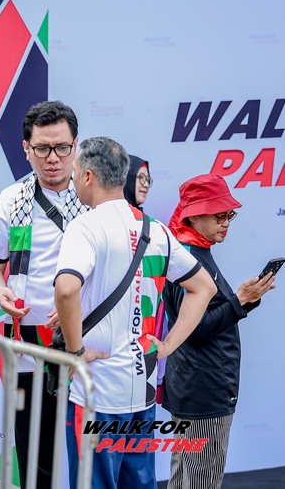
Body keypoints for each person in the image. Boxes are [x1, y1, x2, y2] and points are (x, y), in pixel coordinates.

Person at [54, 137, 217, 489]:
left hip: (95, 389)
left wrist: (75, 350)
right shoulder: (155, 230)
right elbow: (204, 287)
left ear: (88, 176)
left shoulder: (85, 226)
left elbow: (66, 289)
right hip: (141, 385)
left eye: (75, 170)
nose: (73, 178)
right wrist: (168, 346)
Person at [0, 100, 87, 488]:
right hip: (28, 345)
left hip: (88, 344)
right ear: (26, 149)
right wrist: (0, 290)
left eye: (62, 147)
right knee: (34, 451)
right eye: (42, 148)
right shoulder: (12, 200)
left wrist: (77, 307)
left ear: (76, 146)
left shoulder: (95, 198)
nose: (52, 159)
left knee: (91, 451)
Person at [161, 173, 275, 489]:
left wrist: (244, 300)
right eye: (218, 215)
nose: (226, 222)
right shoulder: (188, 258)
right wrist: (240, 301)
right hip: (203, 390)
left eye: (229, 215)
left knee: (184, 477)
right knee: (201, 480)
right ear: (193, 216)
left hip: (195, 386)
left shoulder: (190, 253)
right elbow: (194, 329)